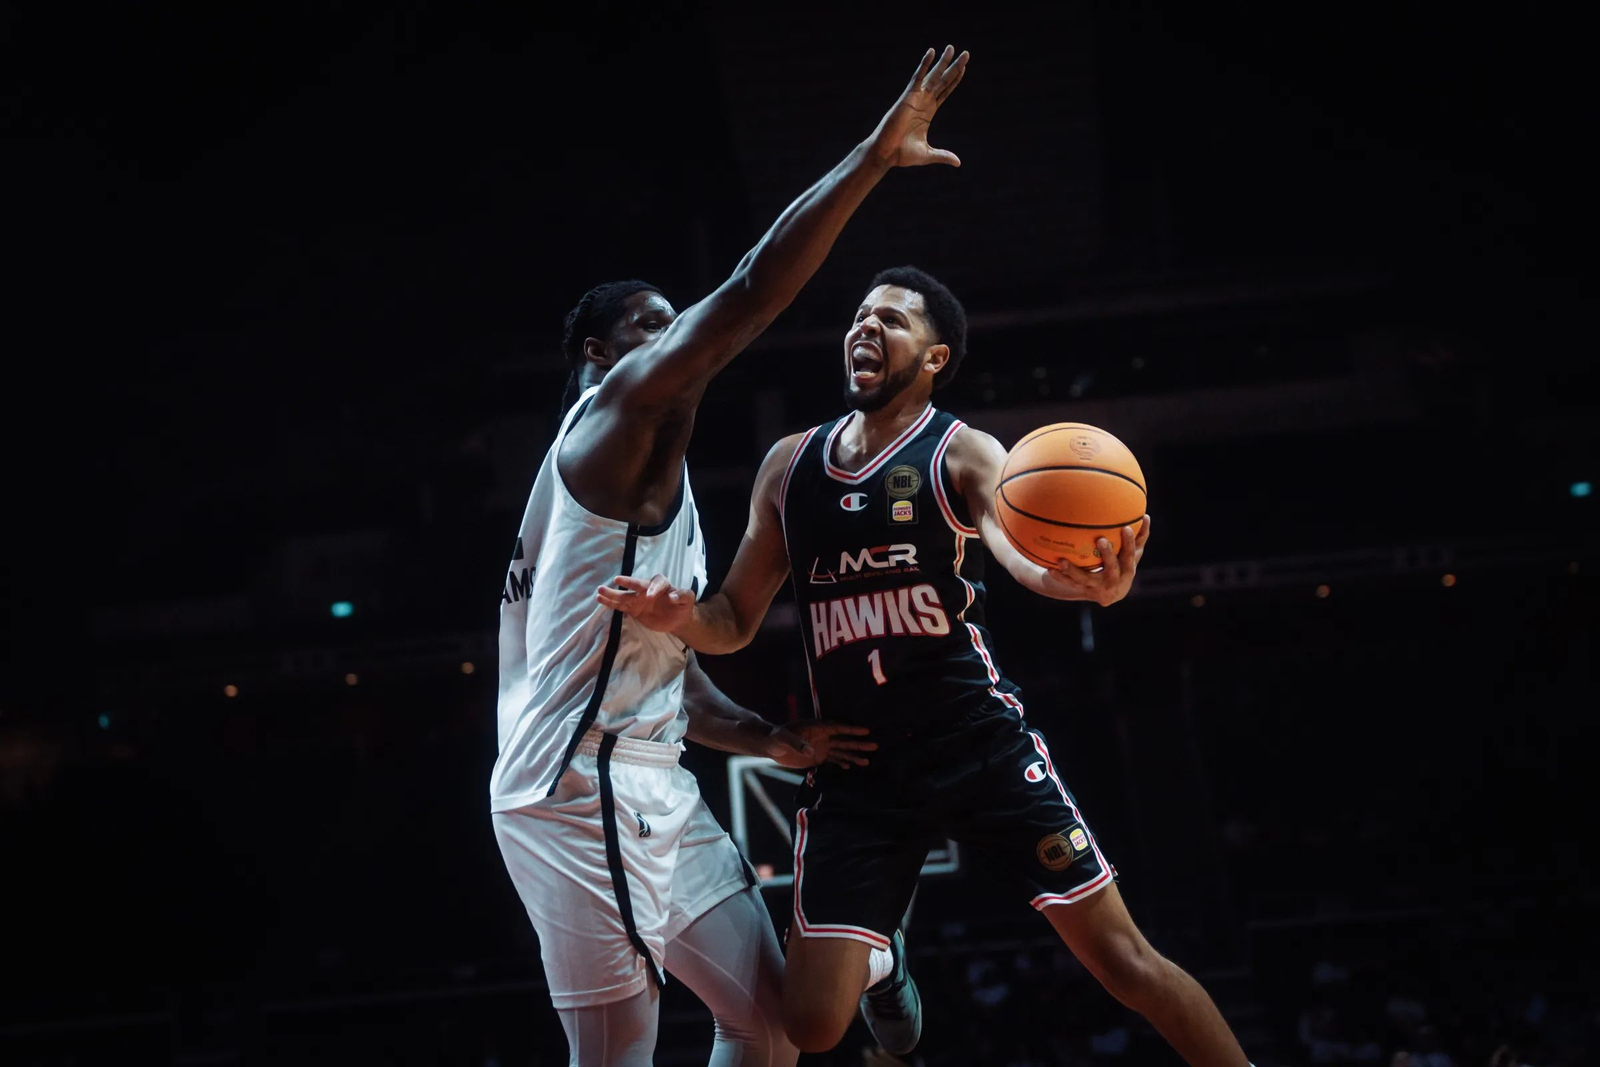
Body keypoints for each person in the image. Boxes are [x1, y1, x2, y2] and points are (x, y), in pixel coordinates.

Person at [598, 266, 1256, 1067]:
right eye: (859, 318)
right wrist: (678, 616)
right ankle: (884, 957)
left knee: (1126, 962)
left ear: (937, 357)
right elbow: (732, 619)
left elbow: (1020, 556)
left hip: (974, 741)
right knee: (810, 1026)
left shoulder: (966, 451)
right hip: (860, 765)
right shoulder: (788, 466)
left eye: (891, 321)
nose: (865, 329)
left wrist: (1080, 582)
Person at [491, 50, 970, 1067]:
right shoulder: (609, 424)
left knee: (773, 1024)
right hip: (575, 795)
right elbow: (752, 288)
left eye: (679, 327)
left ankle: (876, 964)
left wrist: (769, 737)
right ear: (595, 358)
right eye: (650, 330)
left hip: (651, 773)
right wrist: (873, 161)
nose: (678, 342)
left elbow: (659, 681)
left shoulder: (648, 492)